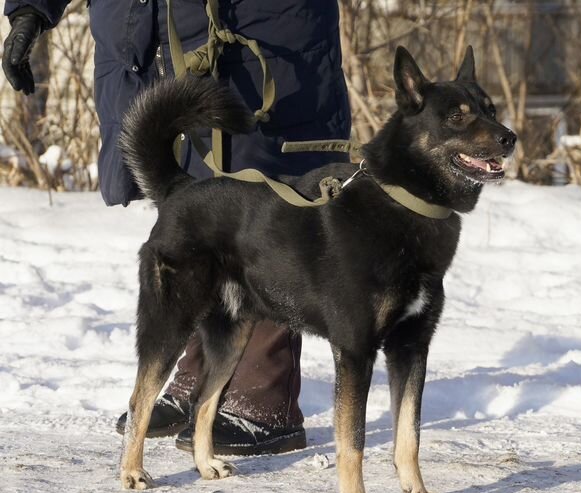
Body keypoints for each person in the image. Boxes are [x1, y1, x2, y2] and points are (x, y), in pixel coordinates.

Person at [2, 0, 351, 455]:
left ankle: (262, 394)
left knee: (266, 198)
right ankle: (196, 376)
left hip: (263, 27)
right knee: (194, 197)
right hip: (156, 27)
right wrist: (31, 9)